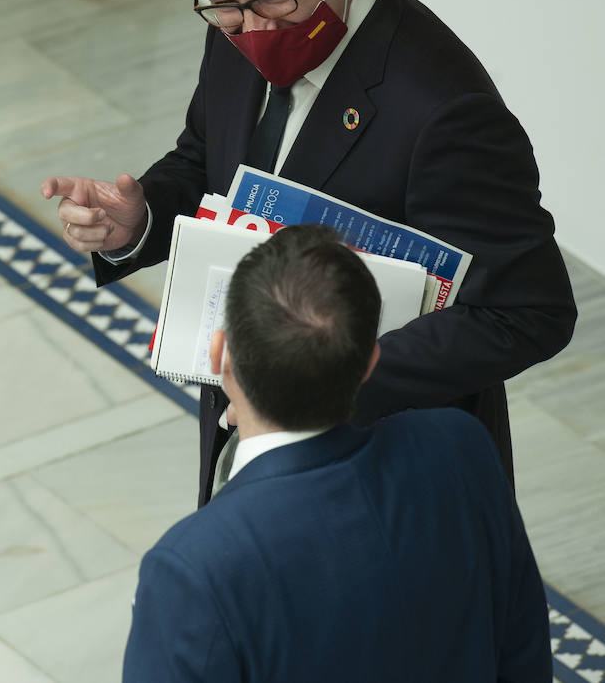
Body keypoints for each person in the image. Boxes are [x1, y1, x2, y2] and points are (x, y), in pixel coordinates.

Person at [42, 0, 576, 506]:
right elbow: (208, 160)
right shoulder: (237, 23)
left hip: (382, 476)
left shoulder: (445, 111)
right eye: (223, 3)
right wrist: (140, 219)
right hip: (250, 435)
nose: (254, 29)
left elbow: (528, 313)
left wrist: (337, 372)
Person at [121, 225, 549, 682]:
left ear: (220, 354)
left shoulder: (191, 569)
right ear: (369, 361)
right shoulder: (459, 447)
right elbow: (522, 651)